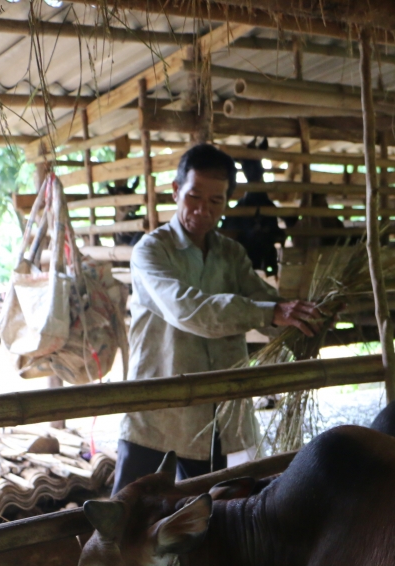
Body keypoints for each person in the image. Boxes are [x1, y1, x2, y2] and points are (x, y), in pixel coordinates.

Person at [113, 144, 319, 492]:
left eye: (216, 201)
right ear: (176, 190)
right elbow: (187, 309)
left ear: (227, 202)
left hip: (211, 416)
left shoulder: (230, 253)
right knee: (124, 517)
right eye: (194, 196)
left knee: (202, 515)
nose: (203, 210)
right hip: (156, 409)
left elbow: (268, 303)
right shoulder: (151, 251)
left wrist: (306, 315)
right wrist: (270, 312)